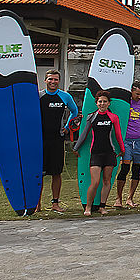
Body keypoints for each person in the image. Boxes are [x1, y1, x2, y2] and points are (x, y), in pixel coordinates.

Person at [73, 90, 124, 216]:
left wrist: (122, 149)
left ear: (108, 103)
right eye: (100, 101)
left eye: (104, 101)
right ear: (96, 103)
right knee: (95, 182)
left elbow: (118, 135)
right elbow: (84, 133)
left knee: (107, 181)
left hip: (109, 153)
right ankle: (88, 207)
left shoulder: (113, 117)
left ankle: (102, 205)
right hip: (96, 153)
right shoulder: (91, 116)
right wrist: (76, 148)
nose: (102, 104)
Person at [38, 69, 79, 212]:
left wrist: (67, 127)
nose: (53, 82)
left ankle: (55, 203)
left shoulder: (65, 96)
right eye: (50, 79)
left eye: (56, 79)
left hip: (57, 139)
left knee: (56, 172)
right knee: (39, 173)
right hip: (40, 140)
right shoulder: (39, 96)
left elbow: (75, 111)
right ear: (45, 80)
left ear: (59, 81)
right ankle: (37, 204)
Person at [114, 80, 140, 208]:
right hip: (126, 140)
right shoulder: (126, 103)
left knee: (136, 169)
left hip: (139, 139)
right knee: (125, 167)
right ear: (131, 91)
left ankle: (130, 198)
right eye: (137, 94)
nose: (139, 97)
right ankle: (118, 197)